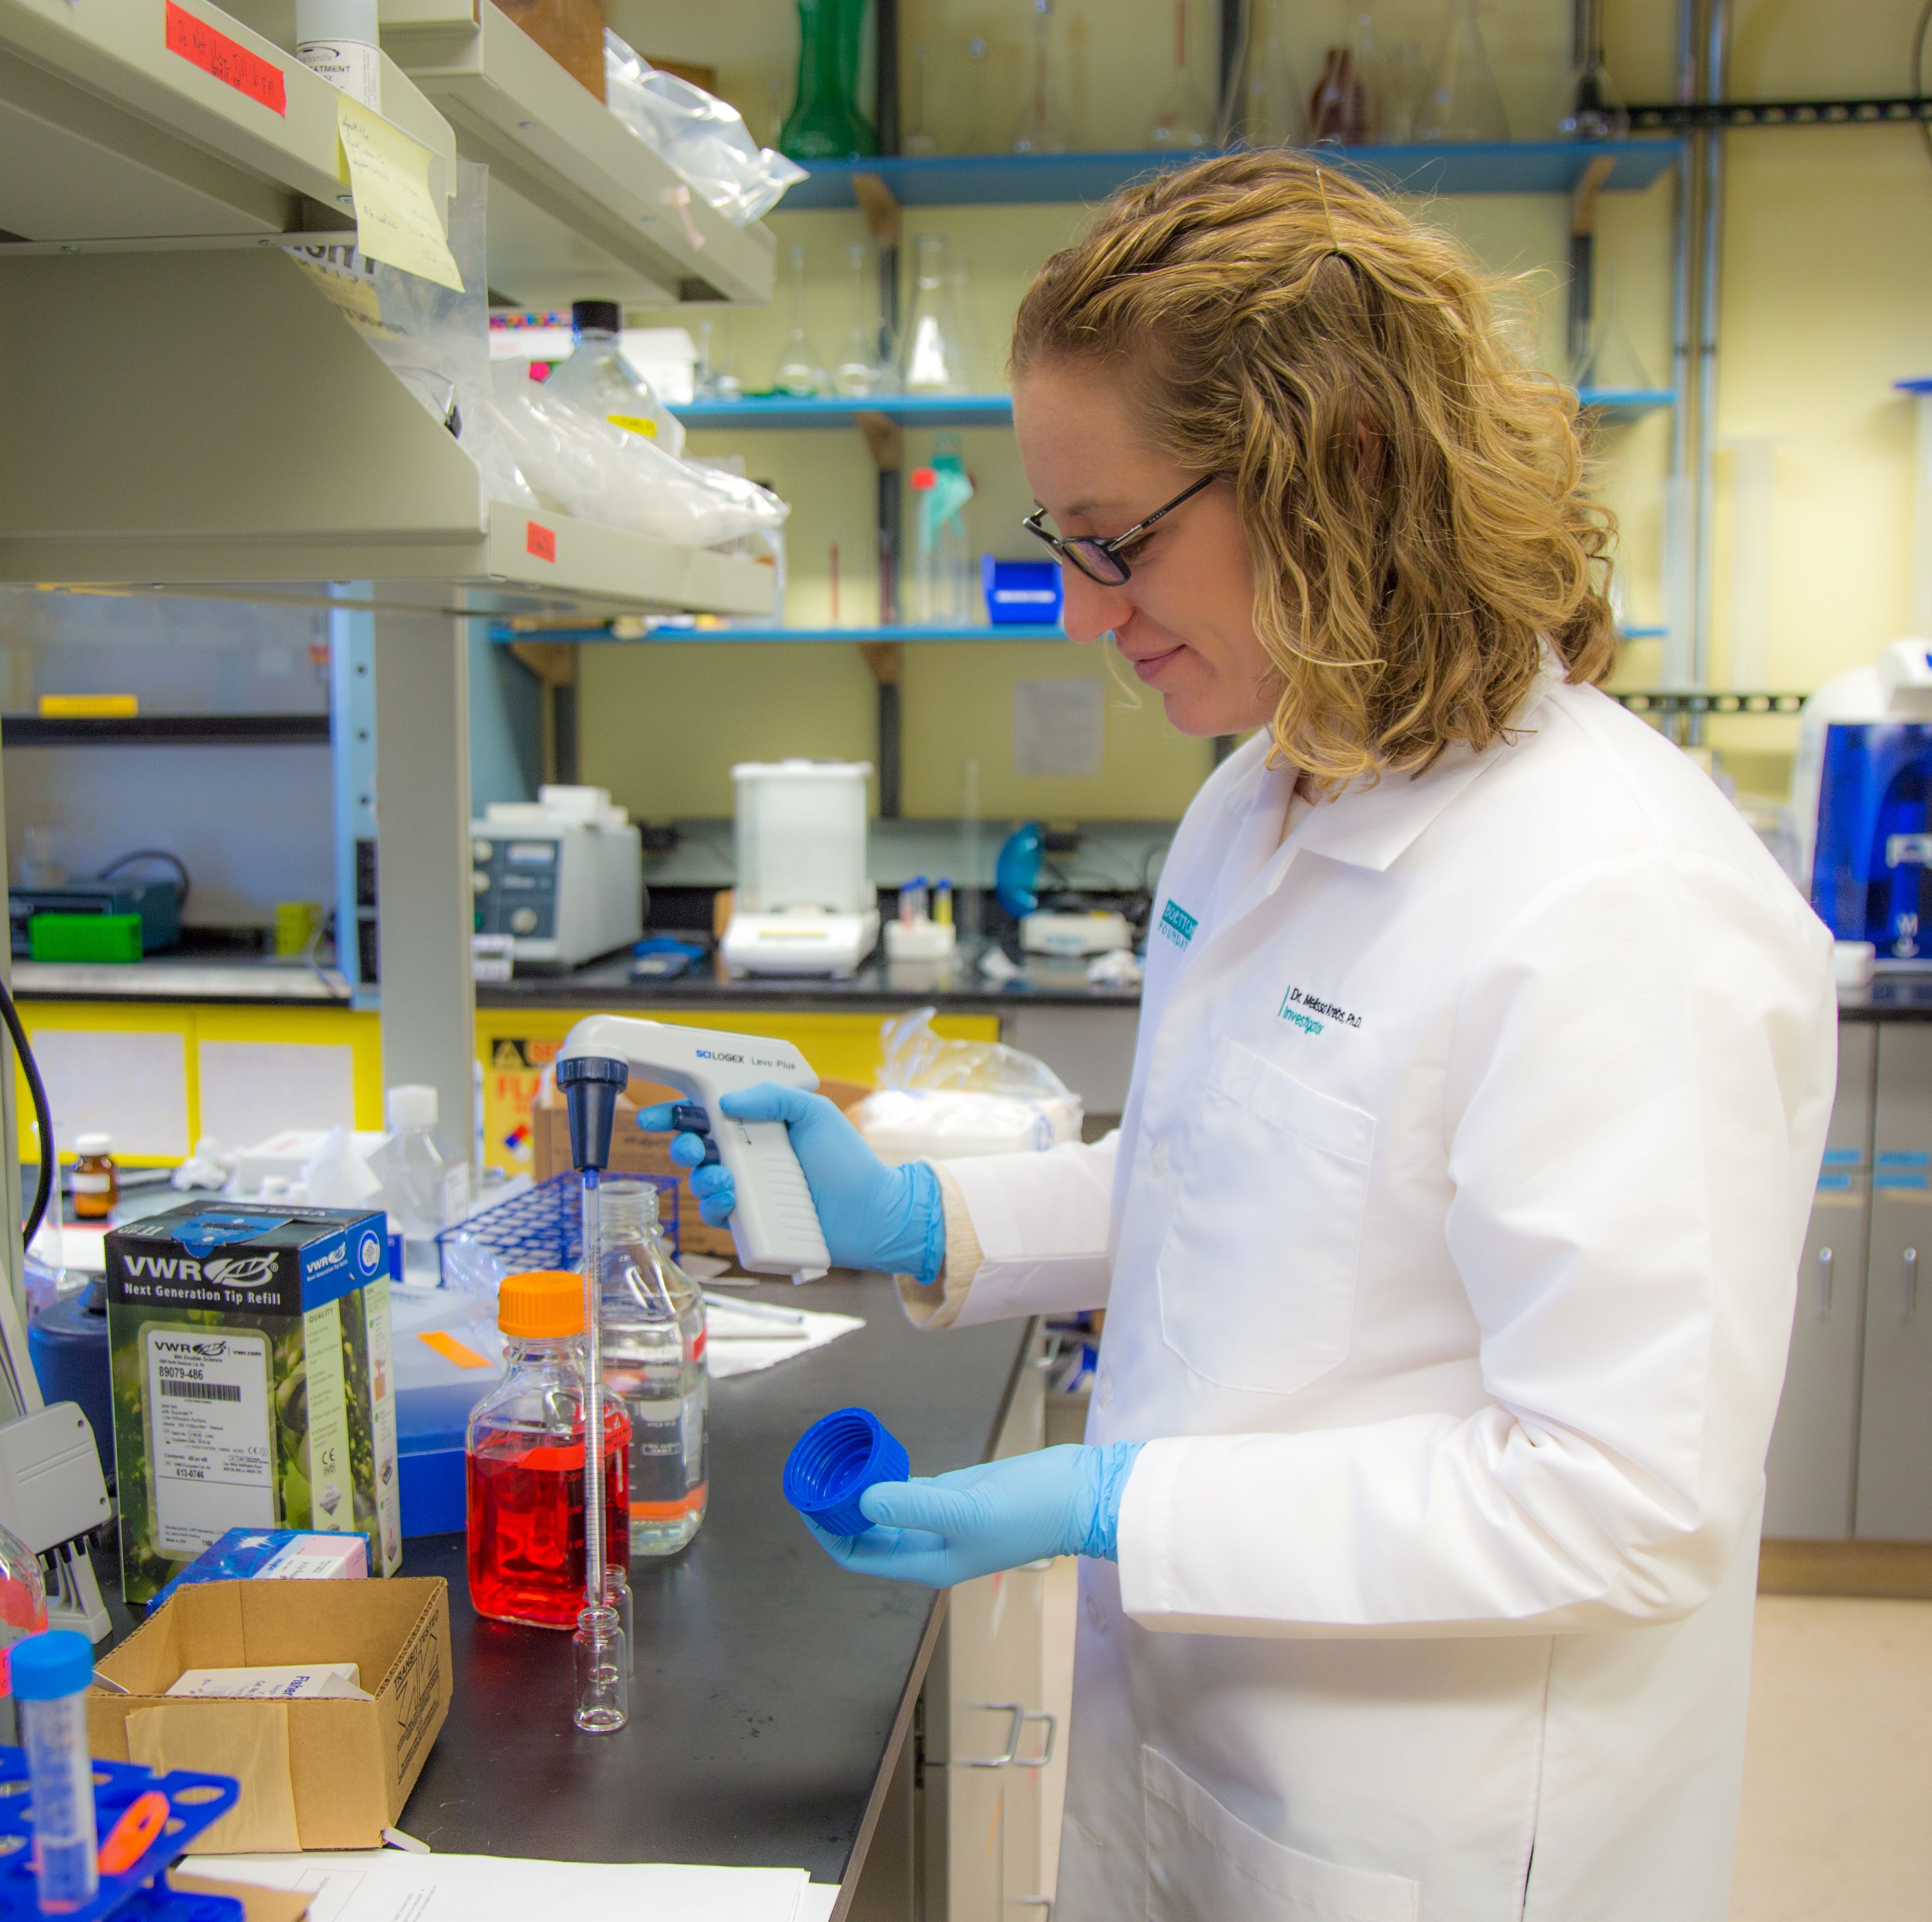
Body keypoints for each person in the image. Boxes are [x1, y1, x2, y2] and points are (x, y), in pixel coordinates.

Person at [648, 151, 1835, 1920]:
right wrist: (930, 1216)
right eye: (1061, 542)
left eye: (1118, 542)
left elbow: (1623, 1501)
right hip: (1197, 1748)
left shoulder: (1619, 899)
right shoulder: (1262, 795)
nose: (1081, 609)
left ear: (1339, 470)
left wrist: (1123, 1502)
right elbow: (1237, 1174)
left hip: (1425, 1823)